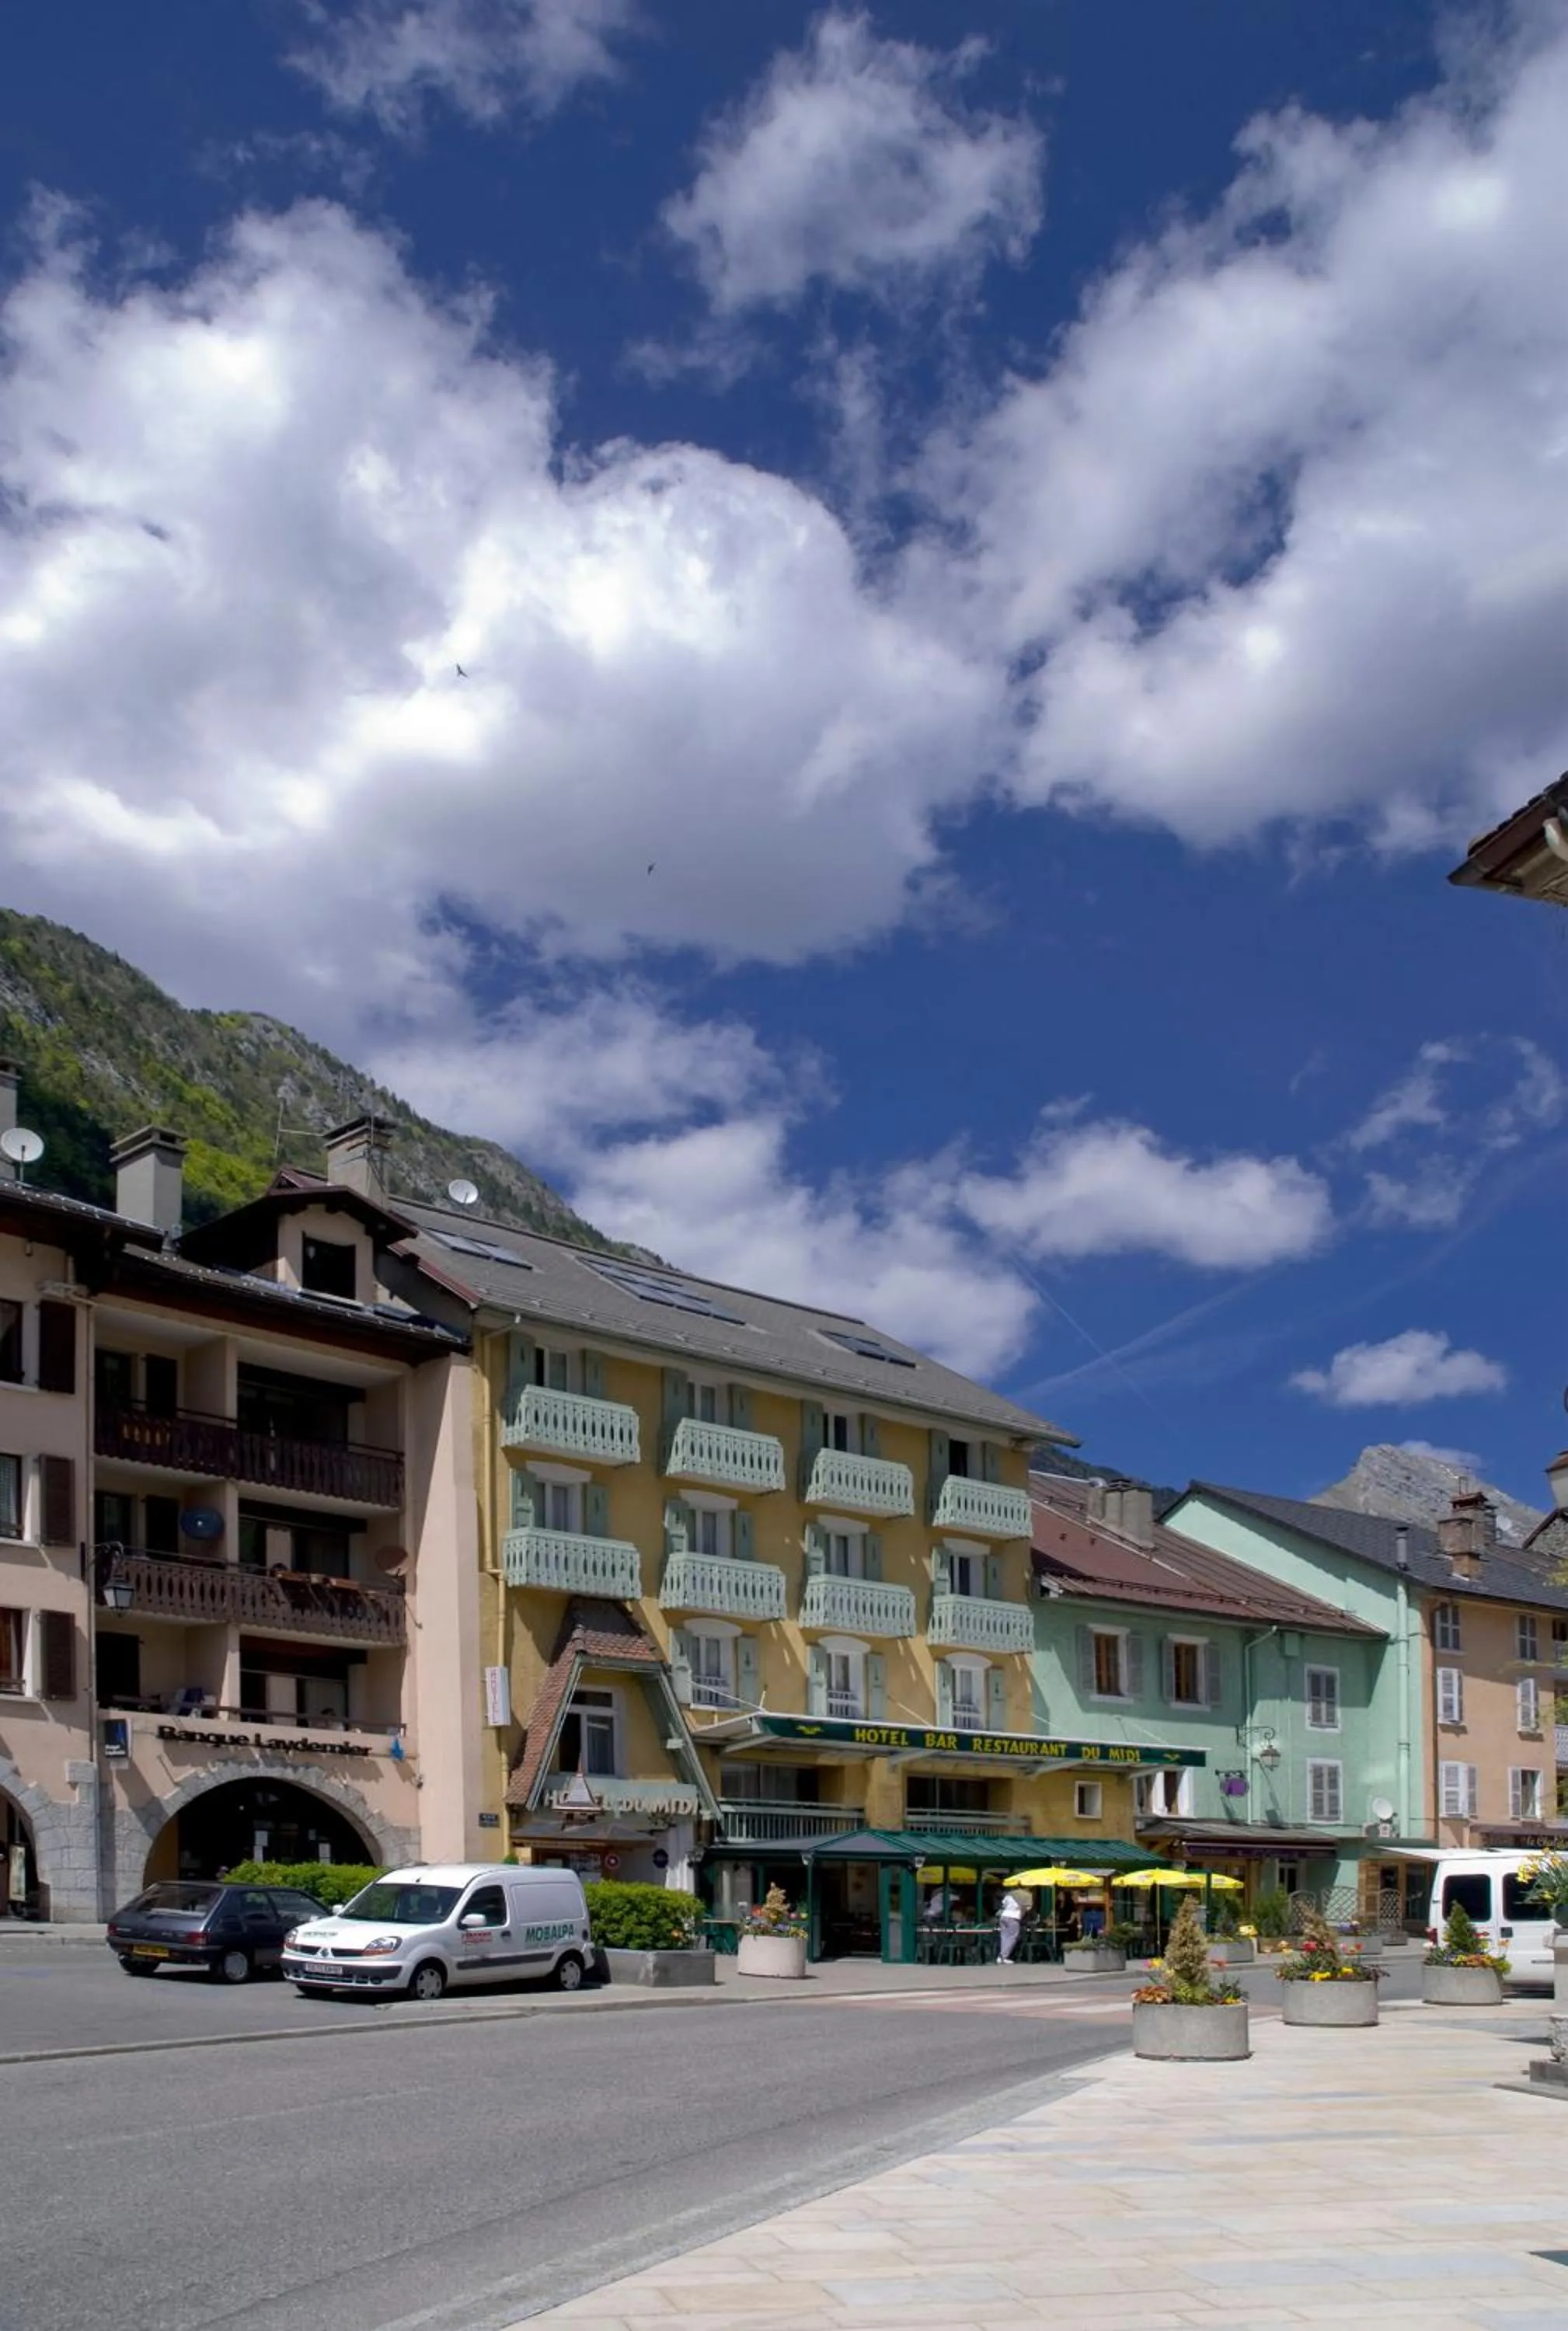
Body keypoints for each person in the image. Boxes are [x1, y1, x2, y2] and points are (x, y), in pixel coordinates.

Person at [997, 1885, 1027, 1963]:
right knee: (1012, 1937)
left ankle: (1002, 1956)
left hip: (1004, 1916)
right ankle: (1003, 1956)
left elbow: (1003, 1905)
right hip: (1013, 1917)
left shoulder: (1009, 1894)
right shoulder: (1025, 1895)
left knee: (1004, 1937)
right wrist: (1021, 1916)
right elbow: (1025, 1908)